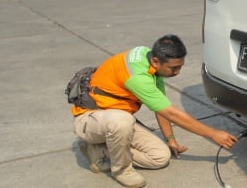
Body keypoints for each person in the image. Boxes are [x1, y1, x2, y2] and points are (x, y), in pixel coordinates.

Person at [71, 34, 238, 188]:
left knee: (160, 157)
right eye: (174, 68)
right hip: (90, 120)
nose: (178, 72)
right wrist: (212, 133)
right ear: (157, 61)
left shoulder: (148, 56)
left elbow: (162, 108)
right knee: (123, 121)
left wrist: (170, 140)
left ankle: (101, 149)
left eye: (180, 67)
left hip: (114, 120)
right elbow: (172, 113)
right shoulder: (137, 77)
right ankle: (121, 170)